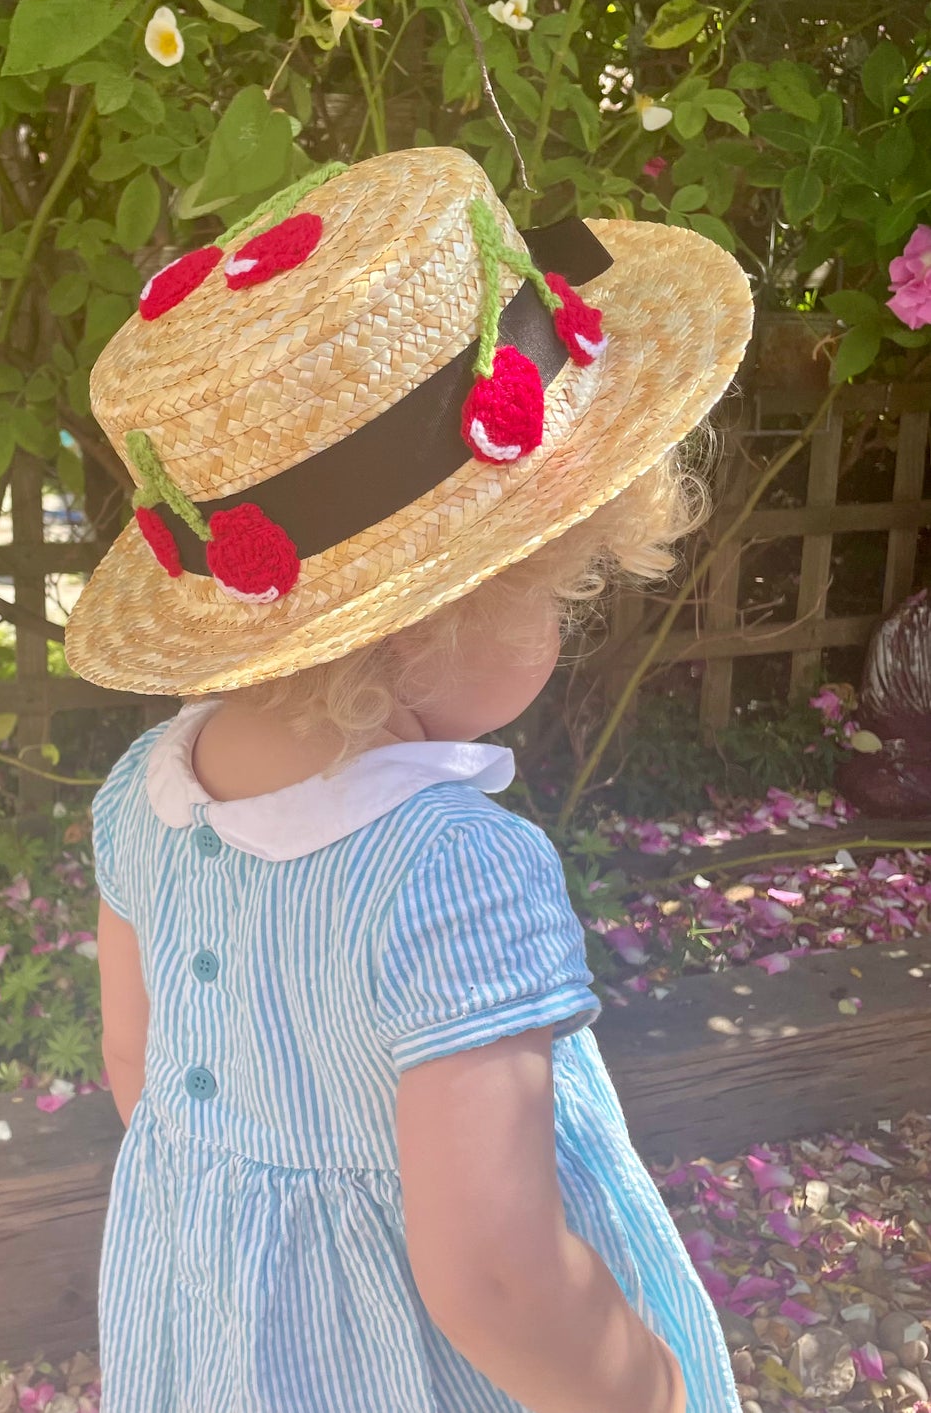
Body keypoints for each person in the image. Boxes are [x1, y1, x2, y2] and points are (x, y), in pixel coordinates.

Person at [63, 147, 753, 1413]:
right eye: (551, 590)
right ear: (423, 619)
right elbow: (492, 1282)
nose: (562, 623)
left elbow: (139, 1073)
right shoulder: (451, 870)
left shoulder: (139, 795)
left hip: (213, 1332)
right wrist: (647, 1394)